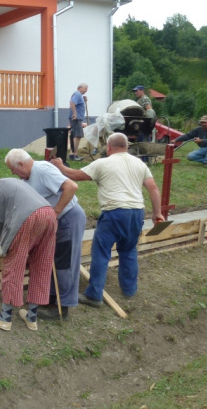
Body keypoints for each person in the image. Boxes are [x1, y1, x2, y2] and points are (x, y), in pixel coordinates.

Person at [50, 132, 164, 307]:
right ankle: (129, 290)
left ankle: (94, 295)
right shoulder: (139, 164)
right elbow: (153, 188)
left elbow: (76, 175)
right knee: (128, 251)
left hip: (114, 212)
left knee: (101, 252)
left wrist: (60, 166)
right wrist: (157, 213)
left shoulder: (103, 163)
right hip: (136, 213)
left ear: (109, 147)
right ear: (126, 146)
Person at [4, 149, 86, 321]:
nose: (12, 173)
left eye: (13, 169)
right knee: (49, 260)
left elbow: (72, 186)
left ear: (20, 164)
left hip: (67, 218)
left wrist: (55, 212)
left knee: (65, 264)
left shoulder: (42, 170)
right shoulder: (26, 178)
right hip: (53, 222)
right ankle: (49, 299)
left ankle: (62, 308)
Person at [0, 174, 57, 332]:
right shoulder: (9, 184)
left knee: (13, 266)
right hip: (49, 215)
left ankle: (5, 318)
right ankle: (32, 318)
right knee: (41, 266)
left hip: (28, 218)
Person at [68, 83, 88, 161]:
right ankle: (73, 154)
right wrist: (74, 113)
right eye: (85, 88)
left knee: (76, 136)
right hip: (76, 118)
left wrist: (84, 100)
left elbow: (77, 104)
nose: (86, 90)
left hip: (77, 118)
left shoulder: (79, 95)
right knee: (78, 135)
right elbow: (72, 102)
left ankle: (73, 154)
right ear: (80, 88)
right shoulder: (77, 94)